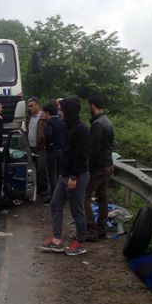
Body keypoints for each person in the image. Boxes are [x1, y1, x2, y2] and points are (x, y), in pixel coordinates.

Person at [38, 97, 90, 256]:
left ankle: (80, 242)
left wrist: (74, 177)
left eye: (61, 110)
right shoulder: (68, 126)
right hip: (64, 175)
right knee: (55, 204)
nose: (58, 112)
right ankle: (57, 240)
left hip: (77, 175)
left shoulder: (81, 129)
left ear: (69, 111)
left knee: (77, 210)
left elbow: (81, 155)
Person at [84, 95, 114, 242]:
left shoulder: (97, 124)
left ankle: (91, 230)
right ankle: (102, 229)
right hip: (108, 164)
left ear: (93, 106)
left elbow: (93, 149)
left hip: (99, 166)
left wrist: (88, 169)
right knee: (102, 196)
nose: (88, 108)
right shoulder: (108, 121)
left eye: (89, 106)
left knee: (85, 196)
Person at [25, 96, 50, 202]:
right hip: (31, 147)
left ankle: (45, 191)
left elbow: (47, 132)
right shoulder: (30, 117)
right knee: (34, 169)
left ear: (37, 105)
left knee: (42, 169)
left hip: (40, 148)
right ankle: (38, 188)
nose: (29, 108)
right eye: (28, 106)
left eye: (31, 106)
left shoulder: (44, 117)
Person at [43, 100, 66, 204]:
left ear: (48, 112)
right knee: (61, 174)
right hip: (62, 151)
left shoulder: (50, 123)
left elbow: (49, 135)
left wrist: (48, 145)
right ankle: (63, 196)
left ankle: (54, 197)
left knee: (52, 175)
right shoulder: (62, 122)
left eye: (44, 112)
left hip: (52, 152)